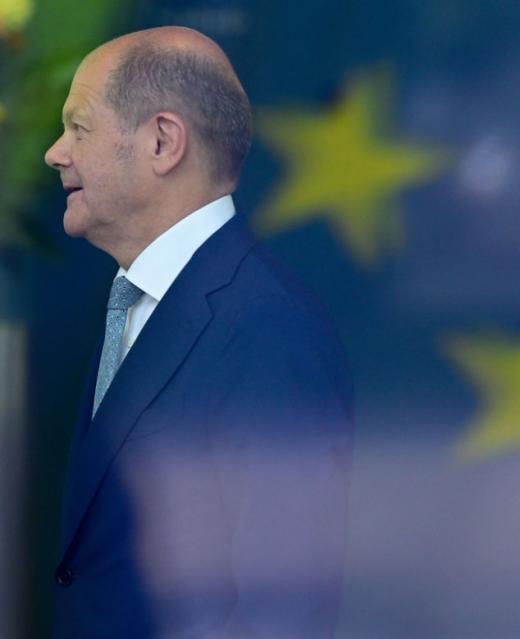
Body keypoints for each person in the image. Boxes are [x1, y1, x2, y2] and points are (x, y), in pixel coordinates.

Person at [44, 27, 353, 638]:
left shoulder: (271, 329)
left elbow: (282, 613)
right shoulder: (137, 298)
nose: (56, 152)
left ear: (162, 142)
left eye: (78, 128)